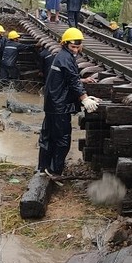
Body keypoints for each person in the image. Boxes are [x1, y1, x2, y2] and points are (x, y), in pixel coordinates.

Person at [37, 27, 99, 177]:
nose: (76, 50)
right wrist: (85, 99)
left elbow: (67, 77)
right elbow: (72, 81)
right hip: (59, 106)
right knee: (63, 139)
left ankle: (43, 167)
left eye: (78, 47)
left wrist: (82, 80)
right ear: (65, 44)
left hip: (52, 103)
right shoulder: (66, 58)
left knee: (48, 136)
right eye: (73, 47)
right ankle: (54, 170)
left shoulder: (63, 56)